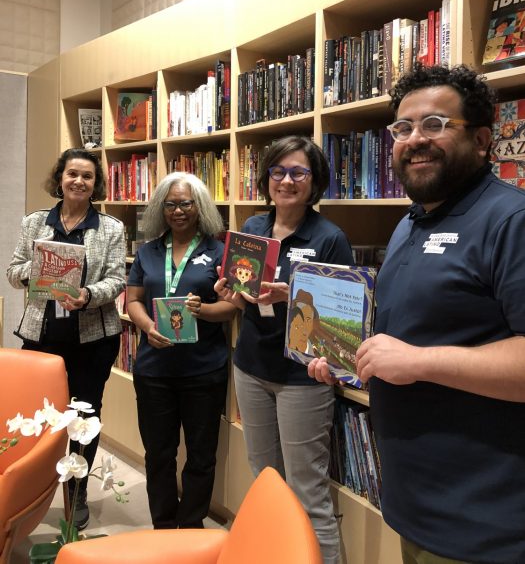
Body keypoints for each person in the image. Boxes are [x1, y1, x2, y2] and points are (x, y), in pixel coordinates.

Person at [309, 63, 525, 564]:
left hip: (485, 522)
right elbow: (403, 335)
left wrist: (419, 362)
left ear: (483, 139)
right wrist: (343, 356)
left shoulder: (511, 221)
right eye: (403, 129)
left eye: (435, 125)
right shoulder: (412, 222)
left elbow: (418, 354)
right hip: (415, 501)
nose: (414, 140)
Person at [215, 135, 354, 564]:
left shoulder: (329, 238)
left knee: (307, 490)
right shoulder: (252, 229)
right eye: (278, 171)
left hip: (301, 378)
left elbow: (339, 325)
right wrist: (229, 291)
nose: (287, 180)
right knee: (266, 482)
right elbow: (240, 300)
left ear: (315, 182)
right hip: (251, 366)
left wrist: (290, 297)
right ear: (266, 177)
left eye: (298, 172)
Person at [7, 147, 126, 531]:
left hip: (92, 340)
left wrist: (88, 295)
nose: (79, 181)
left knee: (84, 418)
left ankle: (77, 492)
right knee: (40, 417)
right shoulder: (34, 222)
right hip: (42, 336)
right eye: (72, 174)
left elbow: (117, 280)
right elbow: (12, 270)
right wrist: (36, 271)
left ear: (96, 184)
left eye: (87, 176)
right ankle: (32, 488)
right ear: (60, 178)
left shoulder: (111, 228)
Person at [126, 172, 236, 530]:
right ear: (161, 208)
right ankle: (163, 524)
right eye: (170, 204)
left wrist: (201, 310)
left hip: (203, 370)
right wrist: (147, 326)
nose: (178, 211)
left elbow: (232, 307)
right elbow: (133, 300)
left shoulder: (219, 252)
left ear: (199, 206)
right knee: (159, 455)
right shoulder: (147, 251)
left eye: (185, 203)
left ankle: (190, 527)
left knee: (202, 456)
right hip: (154, 371)